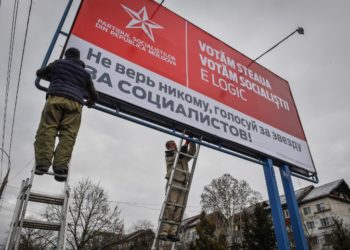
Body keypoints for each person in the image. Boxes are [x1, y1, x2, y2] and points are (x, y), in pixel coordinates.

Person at [34, 47, 98, 182]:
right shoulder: (85, 74)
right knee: (69, 135)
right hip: (76, 104)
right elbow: (94, 94)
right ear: (79, 58)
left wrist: (53, 77)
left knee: (48, 128)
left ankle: (42, 164)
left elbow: (40, 73)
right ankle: (60, 169)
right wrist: (90, 102)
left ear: (66, 55)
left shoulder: (58, 64)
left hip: (56, 98)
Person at [159, 138, 196, 241]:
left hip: (183, 183)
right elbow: (179, 157)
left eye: (175, 143)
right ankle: (164, 231)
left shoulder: (181, 155)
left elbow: (192, 153)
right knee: (171, 206)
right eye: (173, 144)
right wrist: (185, 143)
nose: (175, 145)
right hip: (174, 182)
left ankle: (173, 232)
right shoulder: (169, 154)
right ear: (169, 146)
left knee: (179, 209)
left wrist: (191, 142)